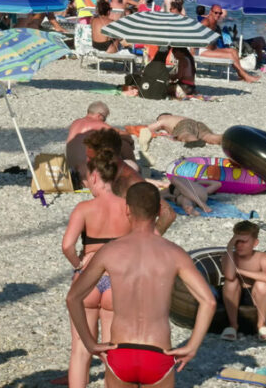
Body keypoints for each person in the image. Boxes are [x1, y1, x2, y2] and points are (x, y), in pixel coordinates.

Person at [67, 183, 216, 386]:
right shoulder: (174, 253)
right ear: (157, 211)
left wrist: (89, 342)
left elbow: (73, 298)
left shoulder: (110, 251)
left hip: (120, 351)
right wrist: (192, 345)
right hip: (158, 352)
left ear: (127, 210)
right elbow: (209, 301)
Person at [62, 149, 132, 388]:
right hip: (117, 279)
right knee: (113, 350)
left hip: (87, 279)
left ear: (93, 177)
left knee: (80, 351)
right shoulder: (128, 207)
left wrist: (78, 265)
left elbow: (67, 245)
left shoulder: (84, 208)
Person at [221, 221, 266, 342]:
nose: (239, 245)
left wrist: (240, 271)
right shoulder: (229, 256)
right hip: (235, 295)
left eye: (244, 242)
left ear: (255, 243)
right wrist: (229, 248)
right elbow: (229, 276)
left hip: (255, 295)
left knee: (262, 284)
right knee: (231, 283)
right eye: (237, 241)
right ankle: (233, 325)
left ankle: (261, 326)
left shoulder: (262, 257)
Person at [65, 104, 134, 181]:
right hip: (86, 175)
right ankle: (135, 174)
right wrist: (131, 142)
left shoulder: (76, 122)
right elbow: (122, 134)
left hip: (72, 172)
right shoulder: (96, 123)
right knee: (124, 143)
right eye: (104, 118)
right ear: (99, 115)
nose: (104, 121)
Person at [200, 5, 259, 82]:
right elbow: (195, 35)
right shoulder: (206, 22)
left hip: (212, 49)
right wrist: (192, 52)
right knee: (230, 55)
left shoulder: (215, 24)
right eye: (216, 13)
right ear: (211, 12)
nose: (218, 15)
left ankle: (240, 75)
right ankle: (246, 76)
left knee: (233, 51)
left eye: (220, 13)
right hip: (201, 50)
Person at [145, 114, 222, 146]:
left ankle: (194, 141)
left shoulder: (164, 119)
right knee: (209, 136)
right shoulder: (177, 117)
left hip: (184, 124)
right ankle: (224, 138)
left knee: (185, 134)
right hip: (198, 124)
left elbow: (149, 128)